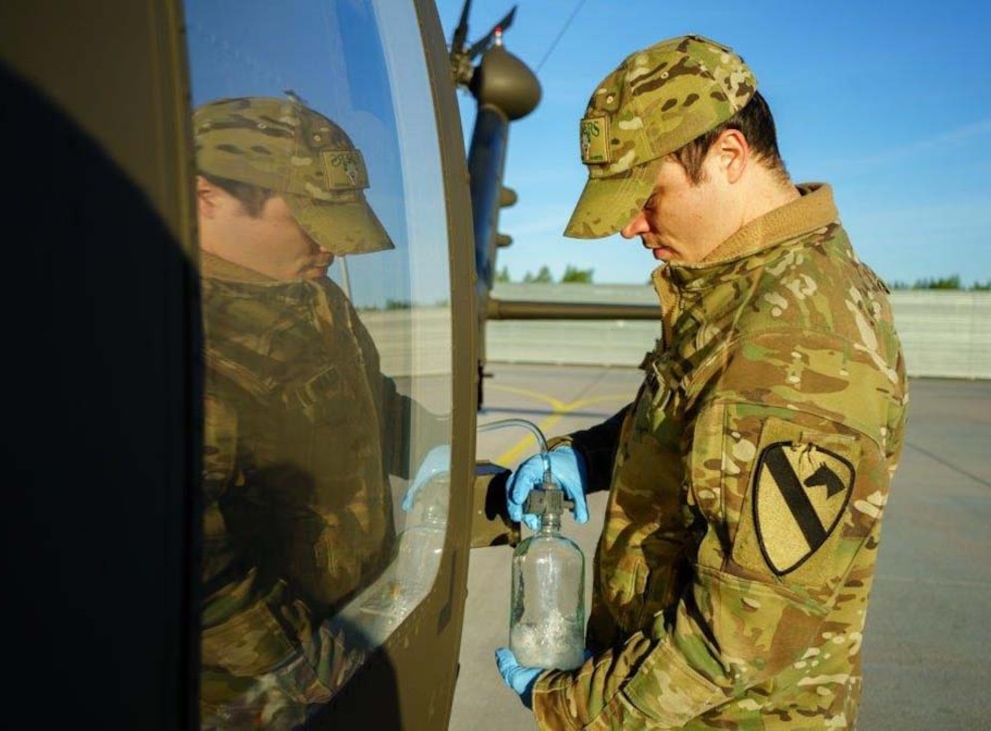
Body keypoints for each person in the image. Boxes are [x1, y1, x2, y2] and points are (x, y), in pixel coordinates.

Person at [496, 35, 908, 729]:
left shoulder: (806, 337)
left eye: (648, 196)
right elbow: (702, 421)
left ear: (728, 156)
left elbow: (736, 637)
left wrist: (568, 704)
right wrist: (590, 455)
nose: (631, 226)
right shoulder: (740, 289)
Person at [194, 95, 447, 728]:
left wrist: (448, 452)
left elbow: (372, 402)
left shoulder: (314, 294)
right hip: (261, 700)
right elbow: (194, 573)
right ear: (208, 199)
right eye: (310, 218)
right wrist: (315, 666)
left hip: (351, 645)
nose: (333, 247)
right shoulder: (174, 337)